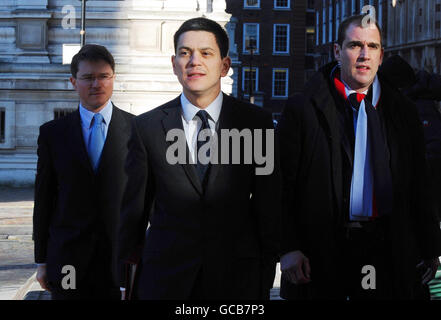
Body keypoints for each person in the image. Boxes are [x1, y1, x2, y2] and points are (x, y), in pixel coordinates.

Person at [277, 14, 441, 299]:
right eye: (355, 45)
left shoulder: (403, 111)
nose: (364, 55)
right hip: (322, 250)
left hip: (388, 248)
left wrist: (429, 247)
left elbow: (419, 185)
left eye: (373, 47)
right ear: (337, 52)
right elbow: (278, 185)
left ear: (381, 55)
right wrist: (287, 247)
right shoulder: (302, 109)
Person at [116, 17, 280, 300]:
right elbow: (133, 213)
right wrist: (123, 280)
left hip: (238, 282)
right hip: (165, 282)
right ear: (174, 64)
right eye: (185, 53)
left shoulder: (256, 124)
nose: (194, 61)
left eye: (206, 53)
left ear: (224, 65)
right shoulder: (147, 128)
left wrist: (264, 275)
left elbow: (270, 205)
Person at [33, 44, 133, 300]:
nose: (96, 84)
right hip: (68, 258)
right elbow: (44, 200)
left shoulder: (138, 130)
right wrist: (41, 260)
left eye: (103, 76)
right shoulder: (52, 134)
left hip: (119, 261)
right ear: (73, 82)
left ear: (113, 79)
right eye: (88, 77)